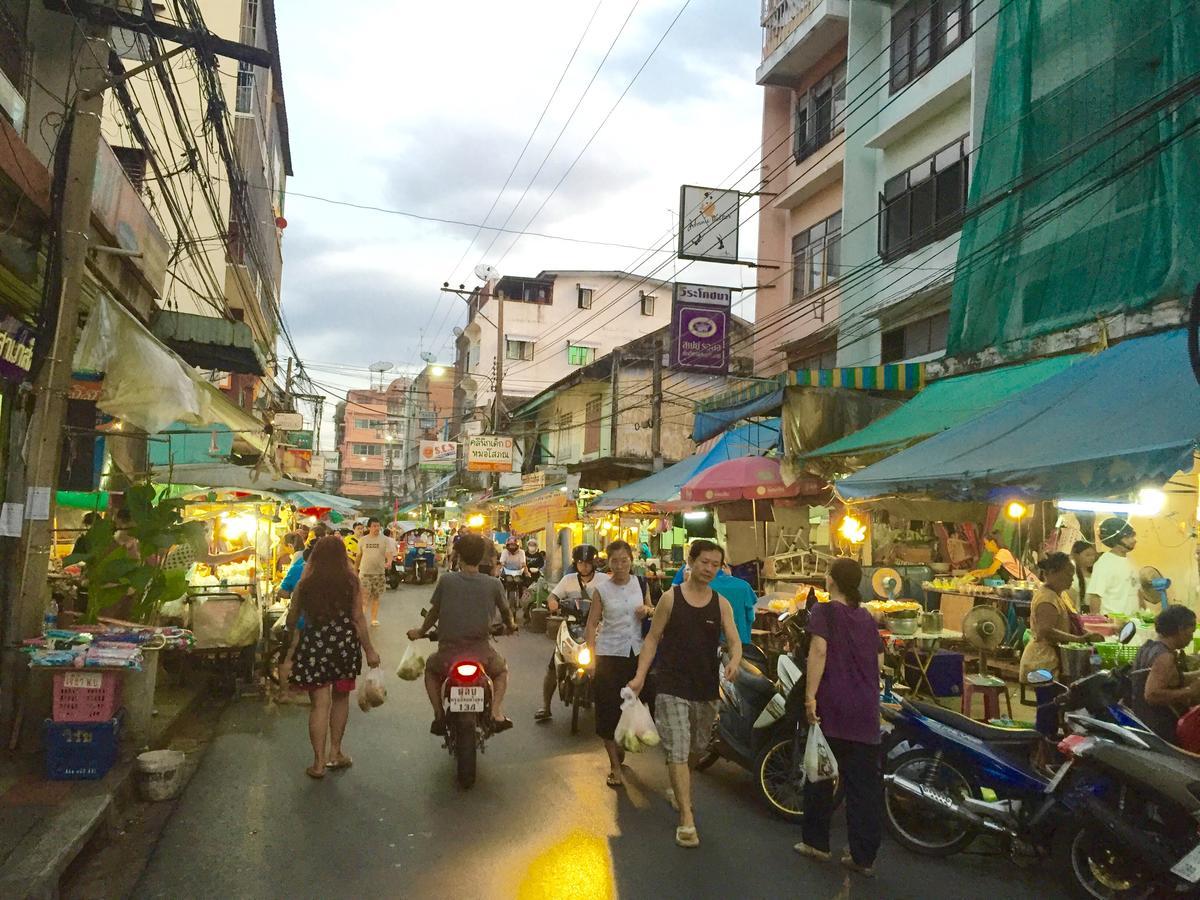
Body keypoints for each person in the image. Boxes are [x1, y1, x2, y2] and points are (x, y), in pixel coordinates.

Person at [627, 539, 741, 848]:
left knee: (696, 747)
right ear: (690, 562)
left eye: (715, 564)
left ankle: (679, 788)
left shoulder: (721, 604)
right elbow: (652, 639)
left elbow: (733, 639)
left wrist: (735, 659)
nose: (709, 569)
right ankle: (686, 818)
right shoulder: (670, 598)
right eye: (704, 562)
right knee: (677, 747)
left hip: (705, 687)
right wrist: (640, 676)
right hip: (671, 685)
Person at [793, 557, 884, 877]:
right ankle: (864, 857)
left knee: (821, 776)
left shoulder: (824, 611)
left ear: (831, 580)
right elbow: (880, 660)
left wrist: (809, 696)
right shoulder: (867, 617)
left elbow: (818, 652)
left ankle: (816, 843)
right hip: (865, 710)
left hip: (833, 706)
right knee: (863, 788)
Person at [279, 536, 381, 779]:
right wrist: (369, 650)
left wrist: (288, 648)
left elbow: (293, 616)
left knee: (319, 705)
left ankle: (318, 763)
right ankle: (336, 753)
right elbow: (358, 618)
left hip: (314, 644)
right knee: (341, 699)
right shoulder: (351, 581)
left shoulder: (305, 583)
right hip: (343, 645)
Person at [407, 534, 515, 734]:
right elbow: (507, 614)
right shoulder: (494, 584)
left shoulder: (446, 581)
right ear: (482, 557)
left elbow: (434, 612)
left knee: (431, 669)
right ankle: (496, 712)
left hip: (448, 655)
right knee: (500, 671)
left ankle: (439, 715)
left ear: (458, 557)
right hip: (482, 653)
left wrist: (420, 631)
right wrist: (511, 626)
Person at [583, 541, 653, 788]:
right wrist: (591, 659)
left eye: (625, 560)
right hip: (609, 655)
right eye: (615, 561)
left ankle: (622, 740)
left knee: (638, 705)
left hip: (637, 655)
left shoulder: (641, 583)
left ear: (631, 560)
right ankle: (614, 765)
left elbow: (651, 608)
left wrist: (647, 609)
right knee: (608, 710)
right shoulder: (602, 589)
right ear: (608, 563)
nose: (621, 566)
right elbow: (592, 624)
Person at [1019, 553, 1104, 737]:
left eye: (1072, 574)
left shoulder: (1057, 596)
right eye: (1067, 573)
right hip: (1042, 662)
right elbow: (1045, 631)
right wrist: (1080, 640)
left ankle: (1045, 752)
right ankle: (1041, 753)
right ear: (1051, 573)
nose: (1071, 578)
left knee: (1052, 710)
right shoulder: (1046, 598)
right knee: (1047, 713)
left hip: (1049, 660)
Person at [535, 544, 609, 723]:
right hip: (571, 626)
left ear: (594, 564)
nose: (584, 566)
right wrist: (552, 602)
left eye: (587, 563)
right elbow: (553, 596)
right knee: (554, 664)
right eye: (580, 563)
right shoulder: (568, 580)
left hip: (599, 627)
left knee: (607, 668)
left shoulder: (604, 581)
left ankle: (608, 707)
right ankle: (546, 706)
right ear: (576, 563)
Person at [1132, 605, 1200, 745]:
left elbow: (1171, 678)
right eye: (1191, 632)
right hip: (1160, 727)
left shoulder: (1148, 648)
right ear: (1180, 629)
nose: (1192, 638)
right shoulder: (1164, 657)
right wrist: (1189, 692)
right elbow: (1152, 695)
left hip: (1143, 720)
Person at [671, 558, 758, 646]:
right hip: (740, 641)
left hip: (708, 641)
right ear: (725, 567)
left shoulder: (703, 586)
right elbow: (751, 617)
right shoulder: (744, 586)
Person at [1085, 517, 1143, 615]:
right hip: (1113, 623)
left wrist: (1143, 614)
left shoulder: (1130, 560)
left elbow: (1137, 591)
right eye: (1128, 537)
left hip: (1133, 622)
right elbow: (1095, 596)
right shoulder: (1104, 563)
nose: (1134, 540)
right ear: (1116, 540)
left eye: (1132, 536)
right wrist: (1098, 624)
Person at [356, 518, 395, 627]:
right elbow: (358, 556)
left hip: (379, 573)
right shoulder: (363, 540)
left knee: (376, 597)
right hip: (365, 572)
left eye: (378, 526)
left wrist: (389, 562)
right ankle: (361, 619)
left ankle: (373, 619)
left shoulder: (385, 540)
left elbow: (388, 553)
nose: (376, 528)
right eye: (374, 526)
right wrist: (355, 569)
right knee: (364, 598)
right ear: (369, 527)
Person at [968, 531, 1035, 582]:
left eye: (986, 543)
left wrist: (973, 577)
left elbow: (991, 572)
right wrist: (975, 572)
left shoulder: (1002, 553)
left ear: (993, 543)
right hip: (1018, 581)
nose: (985, 546)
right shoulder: (997, 555)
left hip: (1028, 581)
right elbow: (991, 569)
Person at [1068, 541, 1098, 609]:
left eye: (1094, 555)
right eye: (1088, 555)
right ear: (1076, 556)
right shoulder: (1073, 577)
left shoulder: (1096, 575)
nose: (1092, 558)